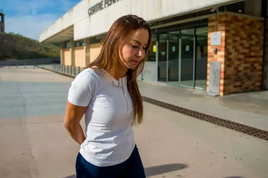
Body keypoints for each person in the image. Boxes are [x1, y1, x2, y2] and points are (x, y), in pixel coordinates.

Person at [64, 14, 152, 178]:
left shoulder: (128, 78)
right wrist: (90, 146)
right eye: (134, 45)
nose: (141, 54)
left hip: (130, 156)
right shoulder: (90, 79)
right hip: (98, 167)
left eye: (144, 47)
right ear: (115, 41)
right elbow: (70, 123)